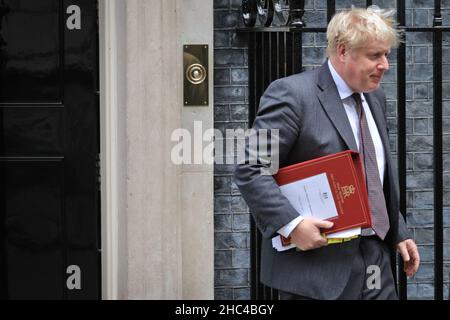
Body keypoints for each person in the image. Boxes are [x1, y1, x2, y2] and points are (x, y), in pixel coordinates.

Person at [234, 6, 420, 300]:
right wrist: (292, 225)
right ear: (343, 51)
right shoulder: (291, 95)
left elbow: (372, 177)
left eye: (386, 55)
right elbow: (251, 168)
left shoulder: (375, 98)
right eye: (374, 55)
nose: (385, 64)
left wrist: (399, 231)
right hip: (317, 272)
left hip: (376, 261)